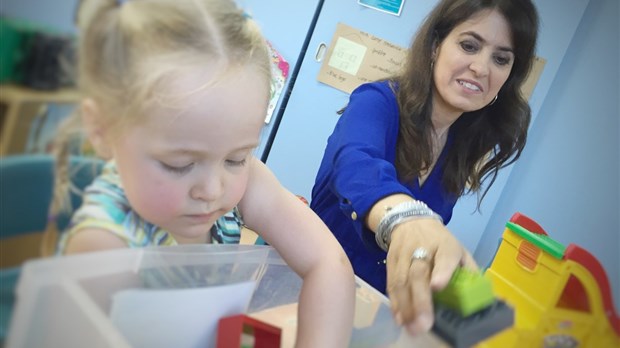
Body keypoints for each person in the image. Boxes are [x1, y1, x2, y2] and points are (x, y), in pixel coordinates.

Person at [48, 0, 355, 346]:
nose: (212, 189)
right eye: (179, 165)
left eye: (237, 158)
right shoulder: (104, 245)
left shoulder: (246, 184)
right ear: (103, 129)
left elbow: (329, 264)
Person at [310, 0, 539, 337]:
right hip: (310, 296)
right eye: (469, 45)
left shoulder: (461, 145)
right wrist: (407, 218)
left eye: (501, 59)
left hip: (377, 322)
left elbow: (429, 248)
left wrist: (488, 321)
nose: (481, 68)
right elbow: (357, 164)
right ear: (435, 46)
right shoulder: (377, 102)